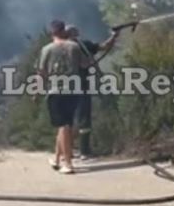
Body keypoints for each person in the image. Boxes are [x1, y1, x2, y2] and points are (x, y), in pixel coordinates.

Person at [37, 20, 85, 174]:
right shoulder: (74, 47)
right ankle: (57, 159)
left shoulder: (47, 49)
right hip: (74, 90)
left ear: (52, 32)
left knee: (63, 126)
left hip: (56, 91)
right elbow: (86, 64)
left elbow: (42, 73)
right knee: (65, 126)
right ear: (64, 30)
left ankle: (68, 164)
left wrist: (37, 91)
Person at [65, 24, 118, 160]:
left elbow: (103, 47)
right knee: (79, 119)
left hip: (73, 87)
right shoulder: (70, 47)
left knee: (75, 120)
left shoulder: (82, 45)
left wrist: (114, 36)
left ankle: (73, 151)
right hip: (75, 87)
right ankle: (79, 151)